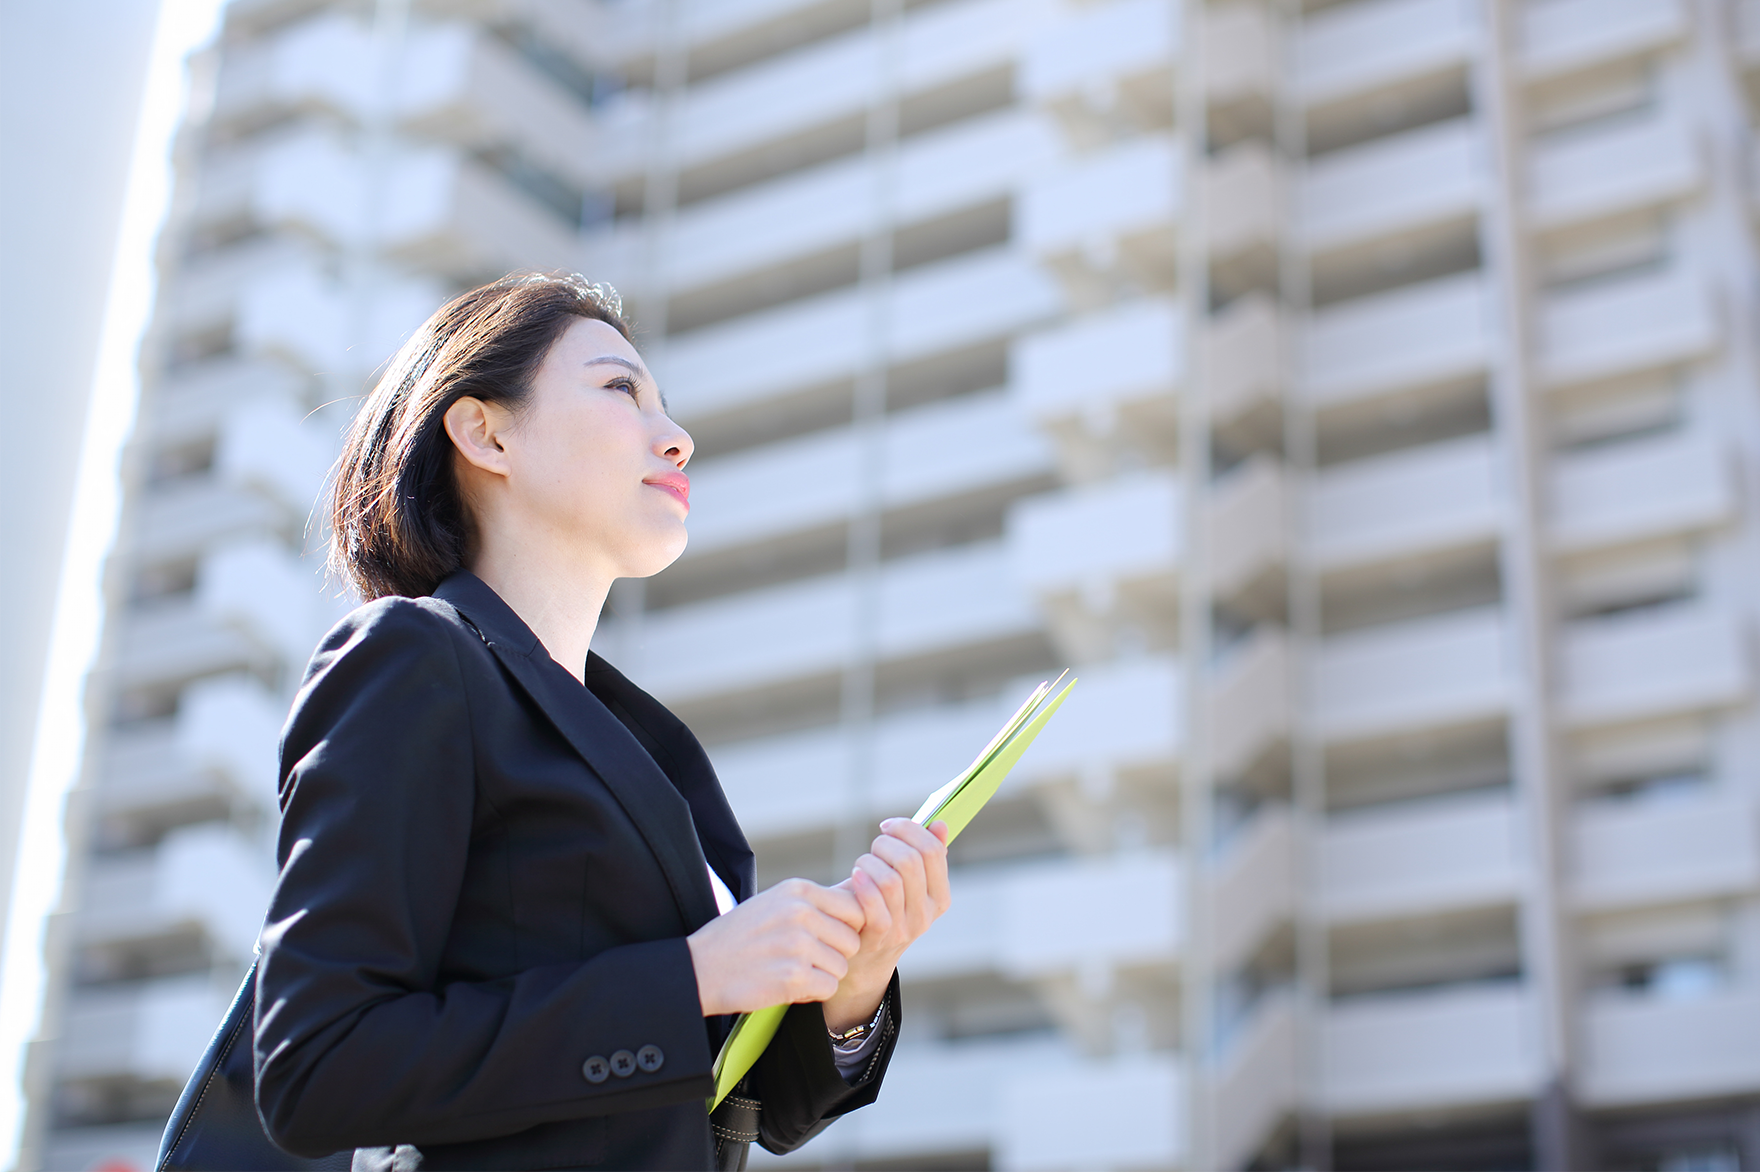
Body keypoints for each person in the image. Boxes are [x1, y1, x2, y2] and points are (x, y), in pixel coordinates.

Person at [252, 272, 951, 1172]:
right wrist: (693, 978)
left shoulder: (654, 748)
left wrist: (853, 985)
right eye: (621, 387)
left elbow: (751, 1110)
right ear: (486, 432)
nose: (678, 437)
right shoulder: (412, 659)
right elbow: (317, 1067)